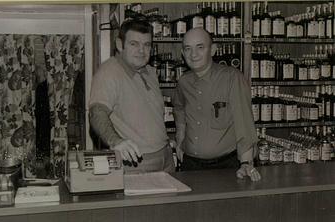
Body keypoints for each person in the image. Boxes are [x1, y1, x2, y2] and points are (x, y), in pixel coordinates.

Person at [173, 28, 261, 181]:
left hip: (226, 166)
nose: (193, 54)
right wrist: (180, 139)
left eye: (200, 47)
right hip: (190, 165)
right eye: (188, 49)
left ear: (213, 50)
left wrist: (246, 162)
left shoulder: (232, 78)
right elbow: (179, 109)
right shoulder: (183, 81)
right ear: (182, 53)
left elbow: (244, 123)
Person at [89, 19, 174, 174]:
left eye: (147, 45)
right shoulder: (109, 72)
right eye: (134, 44)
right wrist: (115, 142)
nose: (141, 50)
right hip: (137, 162)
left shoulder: (149, 71)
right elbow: (97, 112)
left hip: (166, 156)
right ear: (120, 45)